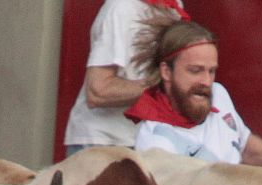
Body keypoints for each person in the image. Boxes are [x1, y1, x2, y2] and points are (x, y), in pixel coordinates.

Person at [126, 18, 262, 172]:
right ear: (166, 72)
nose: (206, 81)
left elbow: (243, 145)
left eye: (211, 71)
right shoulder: (155, 141)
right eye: (195, 71)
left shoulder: (218, 93)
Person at [64, 0, 188, 156]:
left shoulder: (174, 7)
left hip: (146, 141)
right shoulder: (121, 8)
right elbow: (98, 90)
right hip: (104, 143)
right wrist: (167, 86)